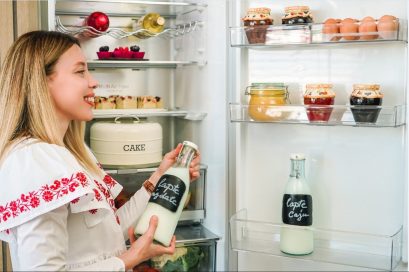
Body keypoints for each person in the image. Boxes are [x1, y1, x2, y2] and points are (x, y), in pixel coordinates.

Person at [0, 30, 201, 271]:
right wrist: (131, 258)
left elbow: (112, 230)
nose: (93, 82)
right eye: (79, 71)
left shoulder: (72, 152)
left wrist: (161, 176)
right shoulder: (34, 159)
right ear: (40, 81)